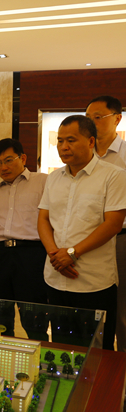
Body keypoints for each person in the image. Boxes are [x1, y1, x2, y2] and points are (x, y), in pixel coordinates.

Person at [38, 115, 126, 349]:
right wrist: (55, 255)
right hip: (56, 278)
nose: (63, 147)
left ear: (90, 141)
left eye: (71, 140)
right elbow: (44, 219)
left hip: (93, 281)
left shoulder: (114, 175)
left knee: (97, 351)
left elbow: (113, 224)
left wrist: (72, 253)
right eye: (60, 141)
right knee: (62, 348)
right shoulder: (54, 178)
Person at [0, 138, 49, 340]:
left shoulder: (43, 182)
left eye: (9, 160)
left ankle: (39, 353)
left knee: (34, 316)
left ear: (23, 158)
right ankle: (2, 351)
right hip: (0, 256)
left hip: (32, 255)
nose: (3, 167)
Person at [85, 95, 126, 352]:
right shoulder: (85, 156)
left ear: (117, 119)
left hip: (121, 238)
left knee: (122, 310)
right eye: (88, 118)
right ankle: (96, 363)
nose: (91, 122)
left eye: (98, 117)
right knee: (94, 308)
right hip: (88, 240)